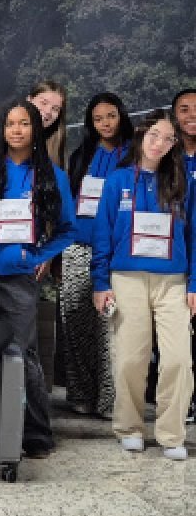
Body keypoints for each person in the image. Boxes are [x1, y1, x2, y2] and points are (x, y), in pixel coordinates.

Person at [0, 99, 77, 459]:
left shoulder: (52, 176)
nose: (17, 130)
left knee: (24, 356)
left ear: (36, 129)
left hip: (19, 279)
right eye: (10, 123)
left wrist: (39, 256)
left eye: (24, 124)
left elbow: (67, 230)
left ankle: (35, 432)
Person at [92, 110, 196, 460]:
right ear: (140, 134)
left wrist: (194, 283)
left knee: (179, 359)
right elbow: (102, 235)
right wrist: (100, 282)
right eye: (154, 135)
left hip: (173, 282)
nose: (159, 144)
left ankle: (171, 434)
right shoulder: (118, 180)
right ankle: (130, 427)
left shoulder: (183, 182)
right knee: (129, 360)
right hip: (127, 279)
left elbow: (194, 236)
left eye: (168, 139)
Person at [61, 93, 133, 417]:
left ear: (122, 117)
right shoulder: (81, 156)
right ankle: (81, 392)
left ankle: (110, 399)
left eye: (111, 116)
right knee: (76, 320)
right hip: (78, 246)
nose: (105, 123)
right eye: (98, 118)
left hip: (117, 250)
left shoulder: (134, 155)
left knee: (111, 325)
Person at [172, 87, 196, 422]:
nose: (192, 116)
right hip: (174, 260)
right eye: (184, 109)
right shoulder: (167, 159)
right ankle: (184, 401)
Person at [0, 80, 68, 167]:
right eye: (43, 103)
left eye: (55, 109)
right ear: (29, 100)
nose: (48, 111)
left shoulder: (55, 148)